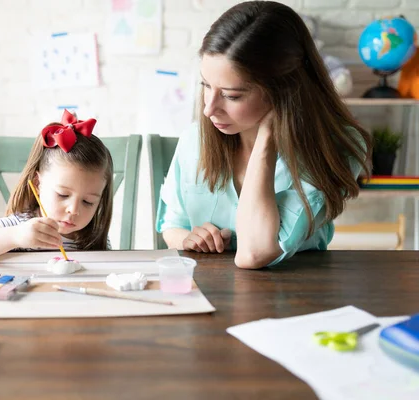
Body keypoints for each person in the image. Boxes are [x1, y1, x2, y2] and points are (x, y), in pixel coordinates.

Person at [156, 1, 371, 269]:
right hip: (211, 292)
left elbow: (255, 253)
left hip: (299, 296)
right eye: (206, 85)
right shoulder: (195, 139)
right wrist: (189, 239)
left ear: (282, 91)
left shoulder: (337, 147)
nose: (209, 109)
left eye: (231, 95)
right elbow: (171, 226)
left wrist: (266, 140)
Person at [0, 110, 114, 265]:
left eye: (88, 201)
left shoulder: (96, 240)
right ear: (38, 184)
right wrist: (15, 236)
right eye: (62, 195)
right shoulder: (18, 226)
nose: (74, 210)